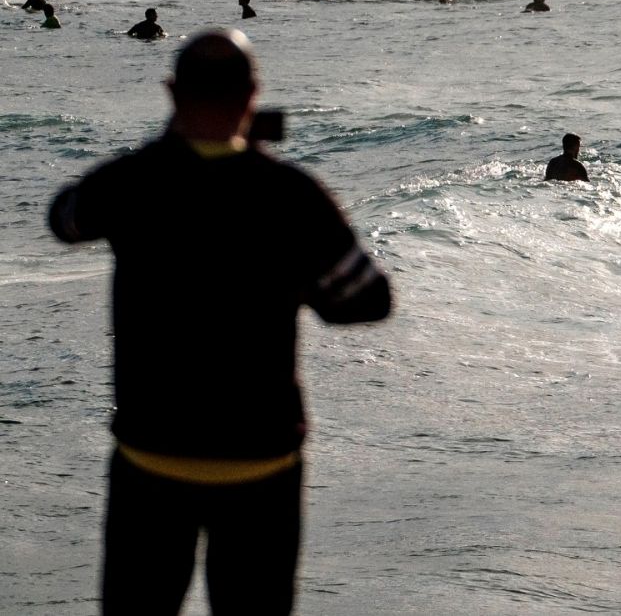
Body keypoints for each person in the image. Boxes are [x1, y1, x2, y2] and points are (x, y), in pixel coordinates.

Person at [48, 30, 391, 616]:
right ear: (253, 94)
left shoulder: (133, 182)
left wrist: (165, 150)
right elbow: (367, 301)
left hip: (150, 458)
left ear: (171, 92)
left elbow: (66, 218)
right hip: (261, 464)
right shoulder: (291, 195)